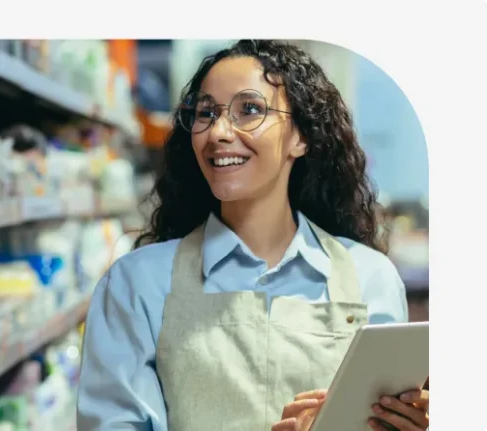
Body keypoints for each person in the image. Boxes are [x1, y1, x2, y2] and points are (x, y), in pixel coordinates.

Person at [76, 40, 429, 431]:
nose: (219, 132)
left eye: (250, 110)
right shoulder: (136, 284)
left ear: (302, 136)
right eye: (206, 112)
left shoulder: (371, 278)